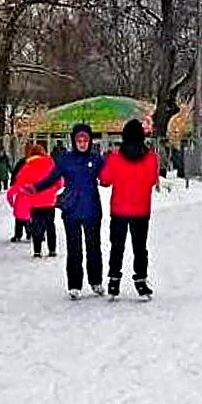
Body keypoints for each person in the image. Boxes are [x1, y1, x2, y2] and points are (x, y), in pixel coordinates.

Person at [31, 123, 105, 298]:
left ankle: (96, 281)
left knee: (93, 247)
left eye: (85, 140)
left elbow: (108, 176)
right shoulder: (65, 159)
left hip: (92, 209)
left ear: (90, 141)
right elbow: (52, 177)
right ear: (74, 141)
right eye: (79, 140)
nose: (82, 143)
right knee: (74, 248)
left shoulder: (96, 159)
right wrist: (35, 187)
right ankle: (74, 284)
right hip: (71, 209)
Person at [98, 119, 160, 299]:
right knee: (140, 247)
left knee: (117, 246)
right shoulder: (151, 157)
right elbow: (151, 180)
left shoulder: (115, 157)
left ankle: (113, 281)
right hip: (141, 209)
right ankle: (140, 281)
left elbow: (105, 180)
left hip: (119, 209)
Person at [10, 143, 61, 257]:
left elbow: (19, 182)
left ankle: (37, 251)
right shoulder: (51, 165)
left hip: (35, 202)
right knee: (50, 225)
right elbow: (60, 182)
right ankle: (52, 250)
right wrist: (53, 191)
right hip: (50, 201)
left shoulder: (27, 166)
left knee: (37, 226)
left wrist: (27, 191)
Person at [7, 143, 36, 242]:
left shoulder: (25, 163)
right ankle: (29, 233)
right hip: (31, 195)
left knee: (21, 218)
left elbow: (15, 174)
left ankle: (21, 234)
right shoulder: (28, 163)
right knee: (27, 218)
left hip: (23, 196)